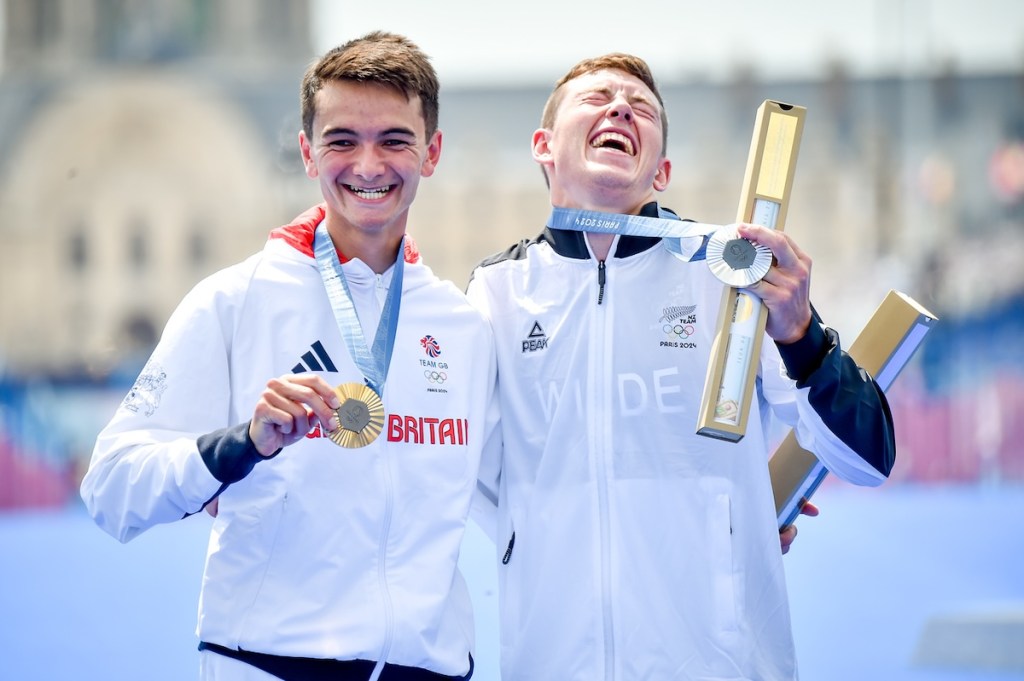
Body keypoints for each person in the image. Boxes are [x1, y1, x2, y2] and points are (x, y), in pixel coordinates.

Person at [81, 31, 499, 681]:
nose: (368, 164)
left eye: (394, 139)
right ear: (307, 151)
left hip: (428, 667)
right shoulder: (233, 300)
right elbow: (111, 487)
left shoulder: (463, 326)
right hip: (268, 662)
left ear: (432, 151)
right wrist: (241, 444)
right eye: (341, 141)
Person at [467, 53, 895, 680]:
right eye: (597, 99)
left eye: (640, 107)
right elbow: (469, 474)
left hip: (719, 661)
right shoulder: (498, 292)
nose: (620, 108)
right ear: (544, 146)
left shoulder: (729, 272)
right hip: (554, 659)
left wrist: (803, 337)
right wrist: (530, 537)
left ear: (661, 170)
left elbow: (868, 458)